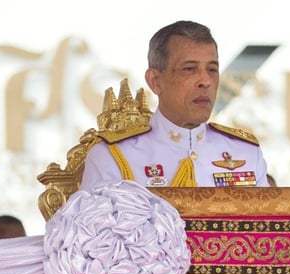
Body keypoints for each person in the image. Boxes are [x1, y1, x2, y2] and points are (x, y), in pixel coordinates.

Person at [80, 20, 269, 189]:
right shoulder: (115, 155)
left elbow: (267, 226)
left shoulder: (247, 153)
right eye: (189, 69)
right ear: (155, 81)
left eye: (212, 69)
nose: (206, 81)